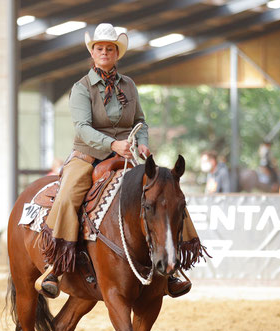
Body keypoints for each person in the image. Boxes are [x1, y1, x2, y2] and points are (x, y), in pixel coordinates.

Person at [35, 23, 206, 299]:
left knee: (166, 192)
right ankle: (56, 265)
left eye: (109, 49)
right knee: (68, 196)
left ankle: (175, 265)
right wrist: (112, 143)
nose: (104, 52)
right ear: (93, 53)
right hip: (88, 156)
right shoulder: (81, 88)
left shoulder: (129, 85)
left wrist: (144, 143)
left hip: (125, 156)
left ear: (117, 54)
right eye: (99, 48)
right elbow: (82, 128)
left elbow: (140, 121)